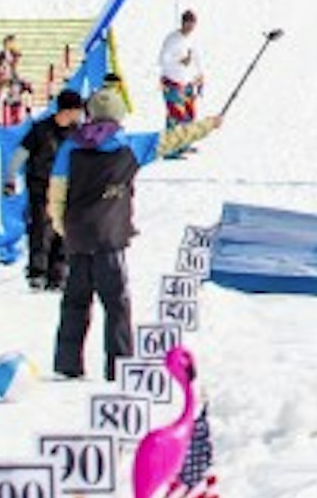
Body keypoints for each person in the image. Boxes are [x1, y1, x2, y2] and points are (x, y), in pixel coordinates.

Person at [50, 83, 225, 380]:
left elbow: (57, 192)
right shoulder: (130, 145)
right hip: (110, 237)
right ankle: (118, 364)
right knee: (116, 303)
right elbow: (175, 138)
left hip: (78, 235)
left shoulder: (70, 146)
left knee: (75, 301)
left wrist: (60, 225)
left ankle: (68, 363)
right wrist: (208, 125)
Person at [16, 89, 83, 291]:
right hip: (40, 185)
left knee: (63, 229)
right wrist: (10, 177)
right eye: (77, 110)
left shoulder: (77, 133)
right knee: (40, 228)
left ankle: (58, 272)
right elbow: (22, 152)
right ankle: (37, 271)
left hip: (66, 188)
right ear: (68, 110)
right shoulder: (41, 130)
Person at [158, 10, 204, 128]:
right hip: (172, 83)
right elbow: (162, 60)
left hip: (188, 84)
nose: (190, 27)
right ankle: (170, 144)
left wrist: (201, 75)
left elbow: (198, 58)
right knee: (176, 115)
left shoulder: (193, 39)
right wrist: (179, 61)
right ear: (182, 23)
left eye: (192, 24)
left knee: (190, 115)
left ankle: (185, 144)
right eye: (188, 24)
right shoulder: (172, 39)